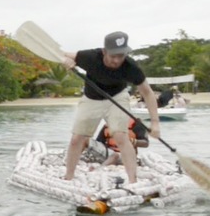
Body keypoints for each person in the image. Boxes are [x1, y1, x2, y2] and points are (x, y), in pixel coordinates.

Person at [62, 31, 161, 184]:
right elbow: (61, 54)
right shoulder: (89, 57)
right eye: (113, 56)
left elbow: (148, 93)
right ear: (104, 51)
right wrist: (64, 60)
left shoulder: (131, 67)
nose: (117, 60)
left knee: (121, 136)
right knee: (77, 139)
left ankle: (133, 181)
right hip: (91, 98)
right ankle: (68, 177)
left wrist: (155, 123)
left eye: (121, 56)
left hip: (117, 97)